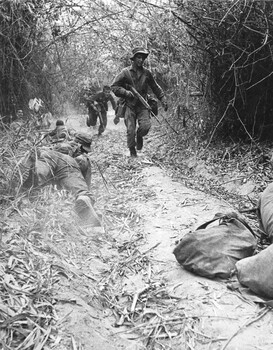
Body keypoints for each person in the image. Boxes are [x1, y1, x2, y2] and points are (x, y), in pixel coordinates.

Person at [12, 132, 100, 227]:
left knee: (37, 178)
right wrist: (84, 192)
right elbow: (82, 181)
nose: (85, 152)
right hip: (66, 163)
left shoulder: (59, 143)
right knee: (82, 193)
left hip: (45, 155)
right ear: (79, 144)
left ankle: (32, 171)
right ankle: (83, 197)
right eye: (84, 150)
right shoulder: (81, 157)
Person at [111, 47, 168, 157]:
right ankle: (132, 150)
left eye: (143, 58)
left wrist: (163, 99)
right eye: (138, 57)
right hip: (129, 105)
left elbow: (155, 87)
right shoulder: (125, 72)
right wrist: (126, 92)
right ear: (133, 59)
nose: (141, 60)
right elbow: (114, 87)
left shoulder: (147, 73)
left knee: (146, 127)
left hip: (143, 105)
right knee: (130, 130)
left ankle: (140, 136)